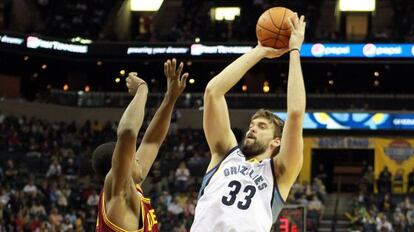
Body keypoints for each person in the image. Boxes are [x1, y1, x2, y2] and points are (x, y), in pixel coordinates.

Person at [191, 14, 306, 231]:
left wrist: (294, 51)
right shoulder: (224, 155)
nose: (252, 128)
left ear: (276, 142)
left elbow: (296, 114)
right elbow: (213, 92)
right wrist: (260, 50)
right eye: (253, 124)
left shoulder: (280, 172)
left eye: (262, 127)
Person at [92, 59, 188, 231]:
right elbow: (127, 131)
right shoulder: (117, 194)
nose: (138, 159)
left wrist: (170, 98)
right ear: (121, 164)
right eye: (133, 158)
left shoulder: (129, 190)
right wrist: (142, 89)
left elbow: (152, 142)